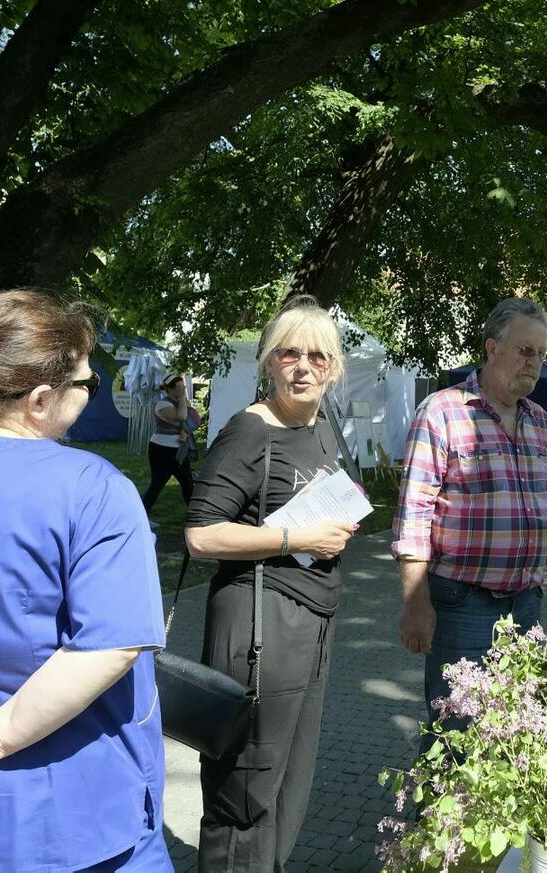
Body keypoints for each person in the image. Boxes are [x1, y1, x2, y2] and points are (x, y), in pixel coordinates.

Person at [0, 290, 170, 871]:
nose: (91, 396)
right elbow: (109, 643)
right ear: (40, 399)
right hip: (67, 818)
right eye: (86, 384)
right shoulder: (91, 486)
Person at [185, 295, 358, 871]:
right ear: (268, 362)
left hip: (313, 622)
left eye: (317, 355)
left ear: (334, 367)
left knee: (290, 780)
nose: (303, 367)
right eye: (289, 354)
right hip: (259, 624)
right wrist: (296, 540)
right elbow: (202, 536)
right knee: (246, 786)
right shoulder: (249, 430)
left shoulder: (324, 427)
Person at [392, 298, 547, 737]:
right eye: (525, 351)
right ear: (492, 348)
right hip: (462, 603)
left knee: (513, 733)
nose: (534, 363)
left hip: (525, 602)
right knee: (459, 733)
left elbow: (545, 499)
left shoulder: (541, 423)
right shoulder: (443, 412)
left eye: (541, 354)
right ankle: (439, 808)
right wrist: (415, 604)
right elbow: (412, 518)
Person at [142, 371, 197, 516]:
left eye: (183, 387)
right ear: (169, 389)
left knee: (188, 483)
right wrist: (183, 400)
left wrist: (182, 402)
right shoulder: (163, 404)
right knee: (157, 484)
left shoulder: (179, 403)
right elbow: (182, 417)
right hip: (162, 450)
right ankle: (141, 515)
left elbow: (194, 420)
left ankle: (195, 517)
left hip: (179, 450)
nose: (182, 390)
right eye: (178, 387)